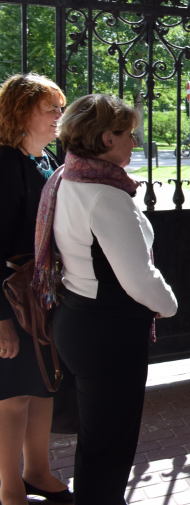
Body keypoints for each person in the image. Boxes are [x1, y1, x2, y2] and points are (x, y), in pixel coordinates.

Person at [39, 94, 178, 505]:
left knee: (99, 439)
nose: (135, 142)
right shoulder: (105, 194)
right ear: (105, 138)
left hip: (79, 317)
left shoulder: (67, 176)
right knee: (110, 443)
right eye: (129, 134)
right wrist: (169, 305)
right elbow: (139, 278)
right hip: (107, 331)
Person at [0, 73, 72, 505]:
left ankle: (38, 472)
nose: (59, 116)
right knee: (13, 397)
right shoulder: (5, 164)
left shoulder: (46, 160)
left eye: (60, 108)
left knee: (45, 386)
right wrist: (1, 320)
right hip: (12, 298)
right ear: (21, 112)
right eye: (51, 109)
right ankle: (10, 489)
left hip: (43, 294)